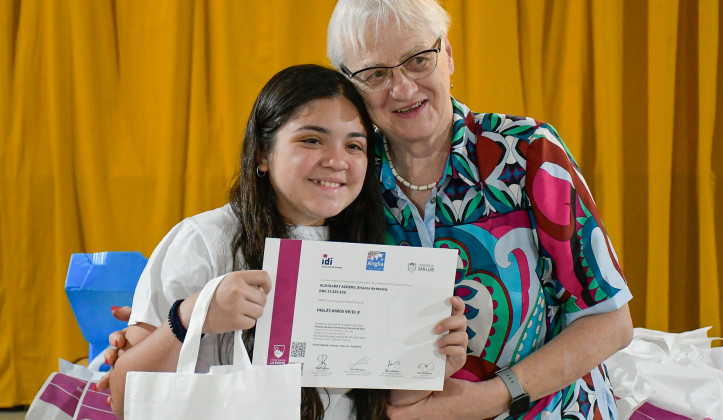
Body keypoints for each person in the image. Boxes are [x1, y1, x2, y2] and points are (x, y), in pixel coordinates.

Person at [104, 64, 469, 420]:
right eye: (312, 140)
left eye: (354, 146)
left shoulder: (374, 248)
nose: (337, 161)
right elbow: (124, 399)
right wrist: (189, 316)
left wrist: (431, 360)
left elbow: (382, 402)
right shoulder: (203, 240)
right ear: (262, 153)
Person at [326, 1, 634, 419]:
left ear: (447, 56)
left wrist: (492, 397)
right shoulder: (348, 177)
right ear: (350, 86)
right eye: (376, 74)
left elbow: (609, 322)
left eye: (418, 60)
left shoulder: (527, 153)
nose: (401, 88)